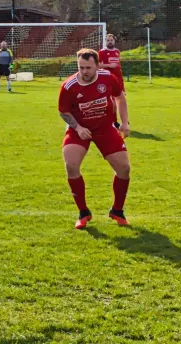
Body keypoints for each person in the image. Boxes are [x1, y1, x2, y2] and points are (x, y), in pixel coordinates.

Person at [58, 49, 131, 230]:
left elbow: (120, 97)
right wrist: (78, 127)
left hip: (105, 127)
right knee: (71, 164)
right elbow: (63, 111)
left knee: (124, 168)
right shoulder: (69, 86)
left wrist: (124, 122)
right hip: (79, 129)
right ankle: (83, 213)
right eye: (81, 67)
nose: (84, 71)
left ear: (97, 66)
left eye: (88, 68)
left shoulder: (107, 78)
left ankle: (117, 210)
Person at [99, 34, 124, 128]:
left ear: (114, 41)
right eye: (108, 40)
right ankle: (113, 122)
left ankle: (119, 121)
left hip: (119, 80)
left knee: (120, 101)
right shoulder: (102, 52)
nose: (110, 42)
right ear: (105, 42)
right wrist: (109, 65)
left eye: (111, 40)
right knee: (112, 103)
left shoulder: (117, 51)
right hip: (108, 80)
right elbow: (98, 65)